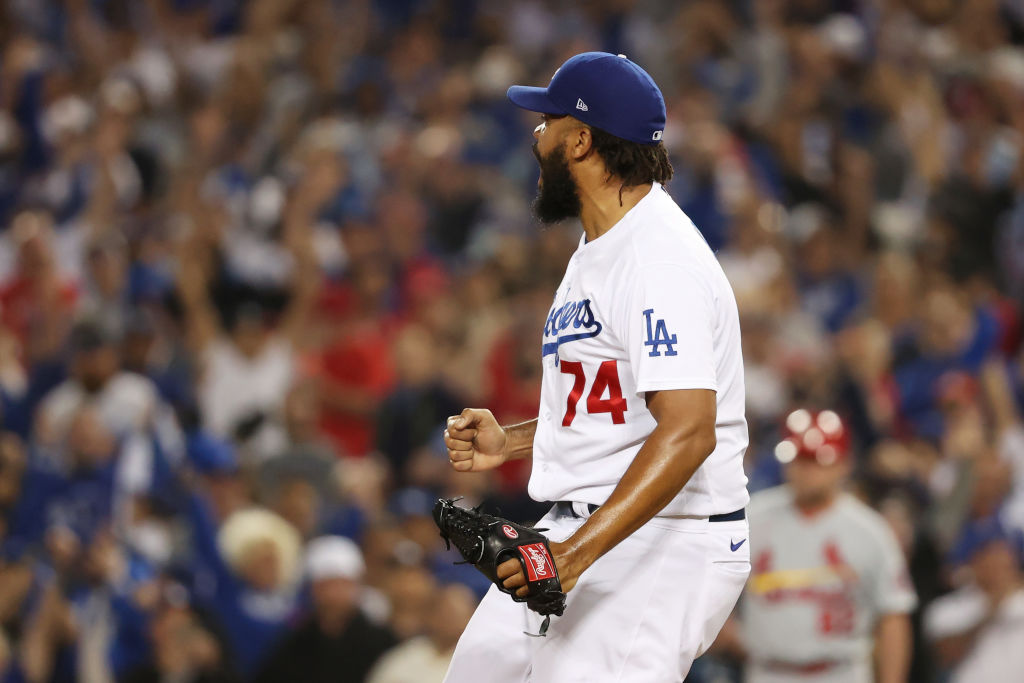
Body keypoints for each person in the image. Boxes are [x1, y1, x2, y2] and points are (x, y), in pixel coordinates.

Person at [441, 52, 751, 681]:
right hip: (587, 528)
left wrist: (575, 555)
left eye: (546, 122)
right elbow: (615, 403)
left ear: (580, 140)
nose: (536, 136)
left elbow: (689, 429)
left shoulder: (658, 259)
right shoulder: (600, 245)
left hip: (666, 538)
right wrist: (516, 440)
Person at [739, 409, 916, 683]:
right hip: (767, 671)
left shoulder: (870, 530)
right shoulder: (753, 517)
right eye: (800, 460)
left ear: (844, 464)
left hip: (840, 672)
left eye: (817, 461)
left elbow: (893, 614)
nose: (806, 471)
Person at [254, 535, 396, 683]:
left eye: (344, 585)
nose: (335, 594)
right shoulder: (295, 644)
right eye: (327, 585)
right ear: (313, 589)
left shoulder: (382, 641)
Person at [924, 516, 1024, 682]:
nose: (1000, 561)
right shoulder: (947, 607)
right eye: (990, 554)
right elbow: (947, 654)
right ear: (974, 561)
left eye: (1005, 553)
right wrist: (990, 611)